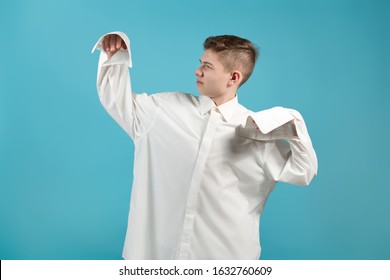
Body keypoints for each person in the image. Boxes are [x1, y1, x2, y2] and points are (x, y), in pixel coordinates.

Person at [91, 31, 318, 260]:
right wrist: (116, 53)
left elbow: (303, 172)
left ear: (233, 77)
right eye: (200, 63)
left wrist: (293, 124)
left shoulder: (258, 131)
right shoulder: (163, 110)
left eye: (208, 66)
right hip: (155, 258)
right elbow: (114, 97)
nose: (197, 71)